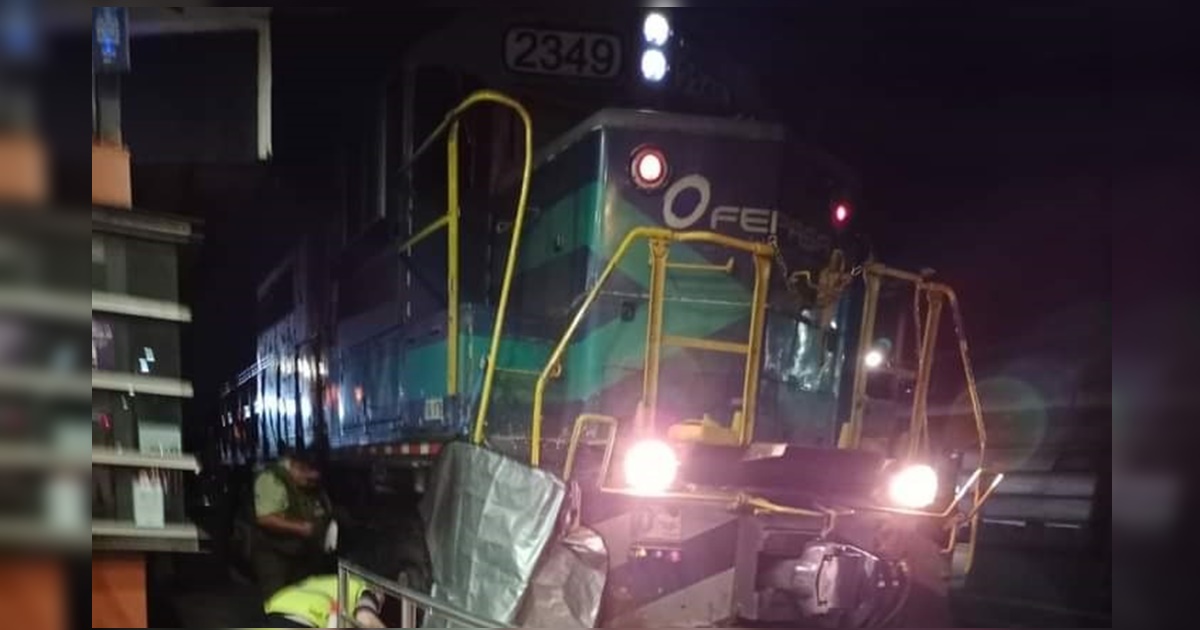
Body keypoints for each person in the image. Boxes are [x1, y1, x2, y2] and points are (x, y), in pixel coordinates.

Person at [250, 448, 335, 598]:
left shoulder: (309, 486)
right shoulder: (272, 479)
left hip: (299, 554)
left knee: (300, 599)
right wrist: (301, 528)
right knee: (278, 601)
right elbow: (265, 518)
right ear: (295, 467)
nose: (313, 479)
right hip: (274, 554)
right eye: (308, 474)